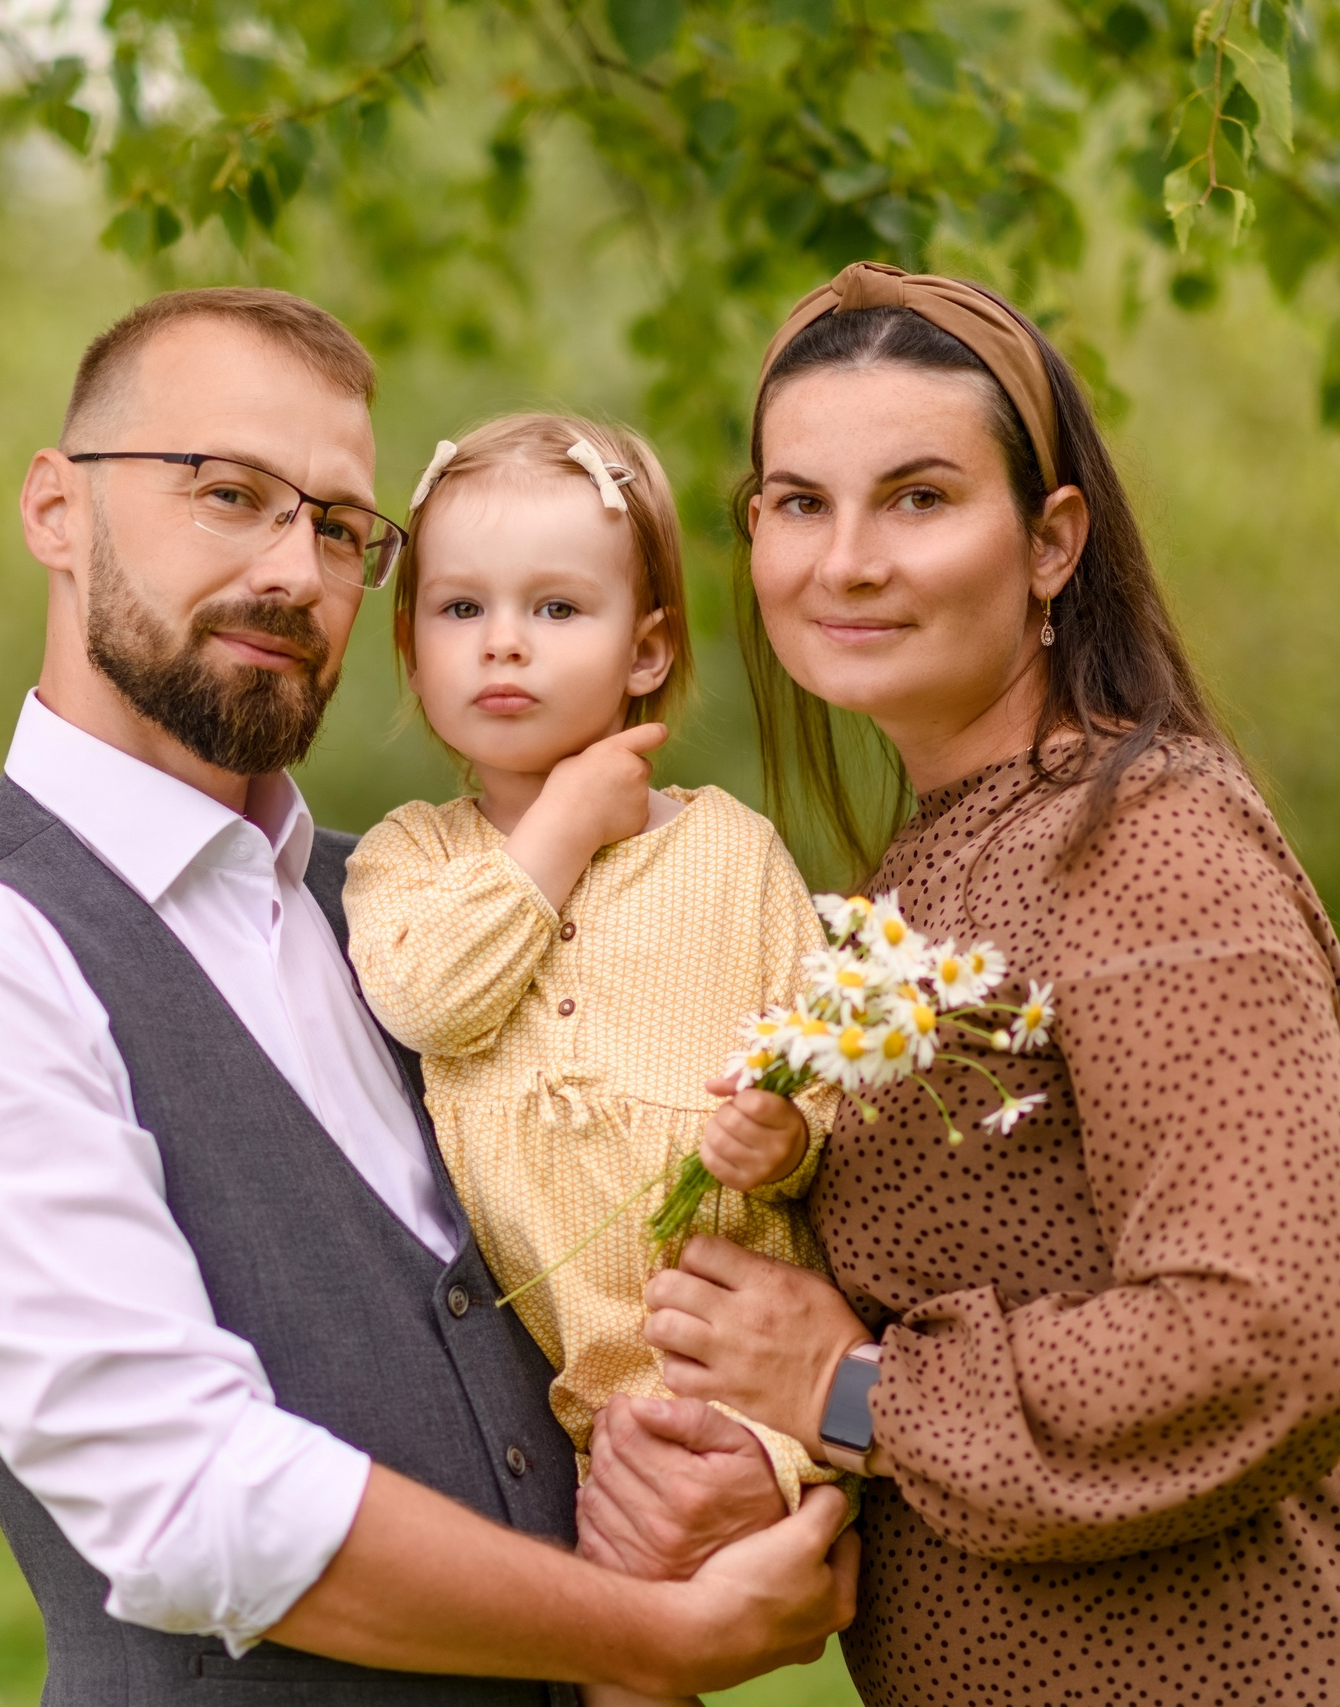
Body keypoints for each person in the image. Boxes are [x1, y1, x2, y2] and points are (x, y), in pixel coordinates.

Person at [0, 288, 855, 1705]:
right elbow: (193, 1502)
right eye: (229, 494)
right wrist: (654, 1637)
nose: (296, 568)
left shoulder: (418, 911)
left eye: (343, 527)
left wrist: (798, 1416)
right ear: (57, 509)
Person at [587, 262, 1340, 1702]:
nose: (846, 563)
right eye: (799, 504)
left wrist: (854, 1395)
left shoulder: (1146, 846)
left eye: (919, 498)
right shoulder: (911, 883)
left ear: (1051, 540)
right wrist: (767, 1459)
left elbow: (1261, 1335)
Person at [339, 414, 845, 1707]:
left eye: (558, 606)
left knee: (665, 1601)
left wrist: (787, 1136)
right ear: (414, 647)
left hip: (743, 1375)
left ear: (649, 648)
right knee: (611, 1648)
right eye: (459, 607)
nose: (502, 640)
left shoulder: (730, 854)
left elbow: (823, 1061)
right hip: (553, 1407)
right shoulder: (410, 859)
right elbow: (425, 1001)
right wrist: (556, 827)